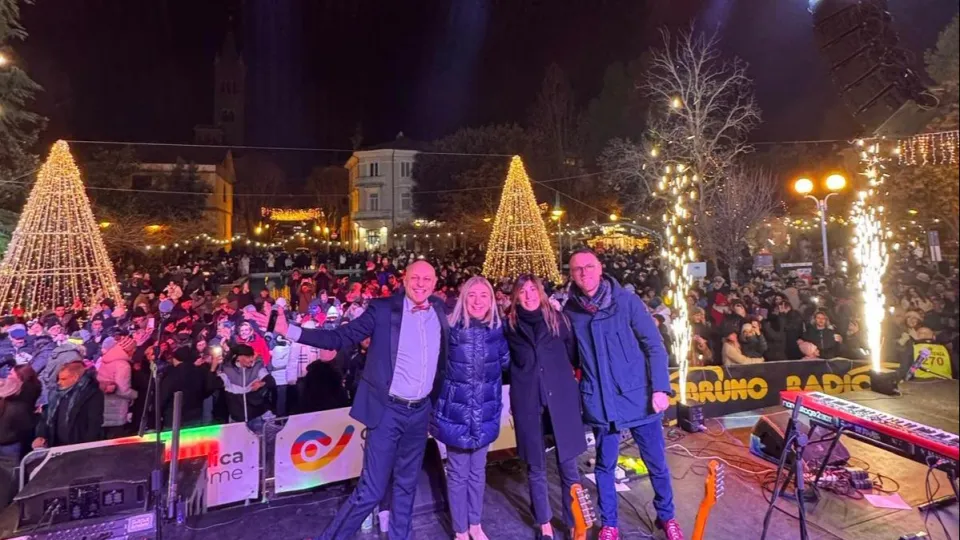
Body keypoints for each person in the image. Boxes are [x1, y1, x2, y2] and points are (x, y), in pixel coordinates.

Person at [247, 260, 448, 540]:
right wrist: (289, 330)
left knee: (407, 484)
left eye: (427, 279)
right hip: (388, 410)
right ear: (404, 279)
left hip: (420, 411)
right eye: (415, 277)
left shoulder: (439, 310)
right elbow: (339, 337)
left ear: (435, 282)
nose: (421, 284)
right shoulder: (383, 309)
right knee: (372, 490)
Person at [564, 249, 683, 540]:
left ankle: (667, 517)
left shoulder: (627, 302)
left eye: (589, 266)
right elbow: (572, 357)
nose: (584, 273)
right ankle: (610, 524)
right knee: (605, 466)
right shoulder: (571, 312)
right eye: (577, 269)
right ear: (571, 274)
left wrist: (659, 387)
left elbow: (653, 345)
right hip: (602, 403)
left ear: (600, 267)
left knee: (656, 462)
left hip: (640, 398)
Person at [505, 274, 587, 540]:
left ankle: (574, 521)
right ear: (516, 295)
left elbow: (573, 356)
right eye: (523, 290)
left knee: (568, 465)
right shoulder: (509, 325)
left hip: (560, 399)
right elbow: (505, 363)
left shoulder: (558, 320)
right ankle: (545, 524)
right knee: (536, 465)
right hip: (529, 401)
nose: (528, 295)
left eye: (532, 289)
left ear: (540, 292)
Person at [430, 276, 509, 540]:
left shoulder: (498, 330)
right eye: (472, 295)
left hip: (485, 413)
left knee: (478, 472)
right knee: (457, 474)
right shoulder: (450, 329)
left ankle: (475, 524)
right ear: (464, 298)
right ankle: (460, 530)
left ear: (491, 301)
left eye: (483, 296)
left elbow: (507, 364)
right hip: (456, 414)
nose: (477, 301)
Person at [33, 361, 104, 449]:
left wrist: (86, 448)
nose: (58, 382)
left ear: (75, 377)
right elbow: (46, 417)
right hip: (55, 446)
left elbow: (94, 424)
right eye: (58, 379)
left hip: (78, 448)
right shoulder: (55, 394)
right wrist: (41, 435)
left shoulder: (92, 394)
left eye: (63, 379)